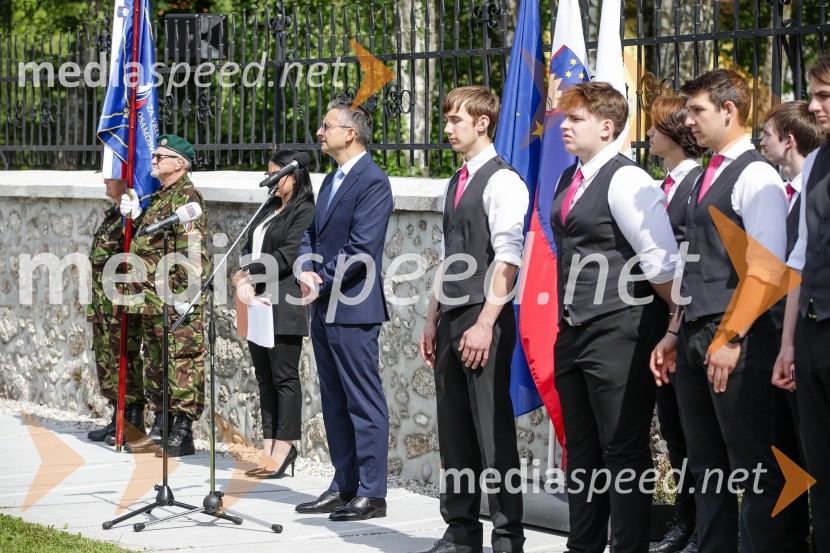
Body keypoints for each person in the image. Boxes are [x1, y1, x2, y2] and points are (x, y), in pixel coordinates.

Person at [651, 69, 787, 553]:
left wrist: (729, 338)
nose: (688, 120)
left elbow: (766, 270)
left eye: (697, 110)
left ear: (729, 111)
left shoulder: (755, 174)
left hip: (737, 339)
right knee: (705, 464)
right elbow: (693, 261)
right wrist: (673, 331)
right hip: (692, 334)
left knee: (751, 466)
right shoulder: (703, 174)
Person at [552, 82, 680, 553]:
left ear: (606, 127)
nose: (564, 125)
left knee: (622, 450)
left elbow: (663, 264)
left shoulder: (628, 180)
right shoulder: (571, 177)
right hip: (573, 330)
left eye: (576, 118)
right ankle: (582, 546)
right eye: (565, 118)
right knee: (580, 450)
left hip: (622, 327)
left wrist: (673, 329)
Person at [418, 86, 527, 553]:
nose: (447, 129)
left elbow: (508, 257)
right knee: (455, 430)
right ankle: (461, 533)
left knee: (491, 431)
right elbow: (448, 254)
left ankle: (507, 538)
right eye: (445, 119)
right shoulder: (455, 181)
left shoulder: (503, 181)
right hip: (451, 318)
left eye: (455, 120)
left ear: (482, 123)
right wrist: (431, 316)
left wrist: (485, 324)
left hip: (486, 319)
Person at [296, 96, 393, 521]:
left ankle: (372, 492)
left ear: (349, 134)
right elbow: (310, 234)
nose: (319, 132)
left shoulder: (373, 181)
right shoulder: (331, 180)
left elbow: (362, 248)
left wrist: (321, 278)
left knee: (362, 400)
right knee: (334, 400)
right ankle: (344, 484)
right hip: (323, 305)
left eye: (326, 126)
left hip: (354, 307)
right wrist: (304, 267)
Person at [118, 134, 211, 457]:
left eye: (160, 156)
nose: (153, 160)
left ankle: (181, 431)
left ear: (179, 164)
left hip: (174, 300)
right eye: (154, 155)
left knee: (182, 362)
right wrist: (134, 216)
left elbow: (194, 251)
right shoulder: (161, 197)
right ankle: (163, 423)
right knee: (158, 363)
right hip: (152, 300)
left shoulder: (186, 198)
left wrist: (185, 292)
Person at [773, 52, 830, 553]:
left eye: (824, 96)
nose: (813, 107)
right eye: (813, 95)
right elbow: (799, 257)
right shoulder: (814, 162)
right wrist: (789, 344)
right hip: (812, 334)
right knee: (819, 469)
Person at [231, 149, 315, 479]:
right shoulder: (267, 207)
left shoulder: (304, 209)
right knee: (264, 377)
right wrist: (242, 276)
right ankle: (267, 447)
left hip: (283, 301)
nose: (271, 179)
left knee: (284, 378)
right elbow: (246, 246)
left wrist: (249, 275)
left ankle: (285, 447)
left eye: (276, 173)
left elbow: (287, 255)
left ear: (293, 177)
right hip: (256, 301)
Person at [646, 95, 705, 553]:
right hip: (657, 327)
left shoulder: (696, 185)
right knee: (673, 430)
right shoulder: (658, 186)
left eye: (654, 127)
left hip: (684, 323)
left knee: (693, 430)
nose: (647, 134)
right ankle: (684, 519)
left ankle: (702, 523)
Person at [760, 100, 820, 553]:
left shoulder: (807, 190)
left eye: (767, 133)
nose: (762, 141)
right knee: (788, 448)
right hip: (783, 338)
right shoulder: (782, 192)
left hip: (812, 330)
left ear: (789, 140)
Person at [86, 177, 146, 444]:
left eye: (111, 176)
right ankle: (117, 417)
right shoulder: (113, 214)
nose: (105, 180)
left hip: (119, 302)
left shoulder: (130, 216)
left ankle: (132, 421)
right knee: (106, 359)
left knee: (125, 357)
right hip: (102, 304)